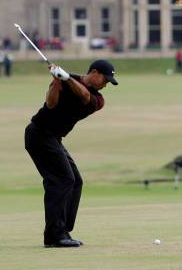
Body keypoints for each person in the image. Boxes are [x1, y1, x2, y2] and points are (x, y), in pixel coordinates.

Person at [24, 59, 118, 248]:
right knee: (62, 180)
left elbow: (84, 95)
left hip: (53, 138)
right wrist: (57, 81)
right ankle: (54, 236)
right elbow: (50, 104)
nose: (105, 85)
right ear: (94, 72)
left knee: (75, 181)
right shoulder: (65, 79)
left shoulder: (98, 100)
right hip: (39, 134)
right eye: (105, 80)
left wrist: (66, 77)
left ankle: (63, 229)